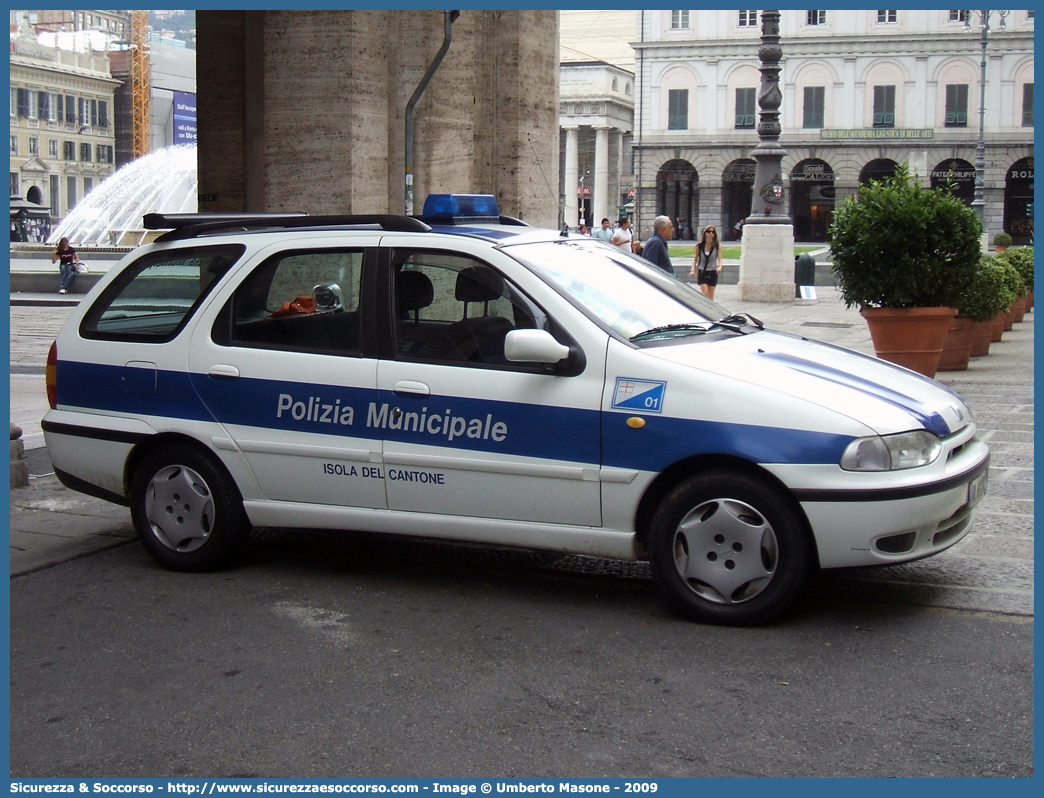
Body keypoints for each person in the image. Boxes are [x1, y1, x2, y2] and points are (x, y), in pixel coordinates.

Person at [690, 225, 723, 300]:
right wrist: (693, 269)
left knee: (710, 297)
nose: (711, 233)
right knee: (705, 294)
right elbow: (695, 259)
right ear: (705, 233)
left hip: (712, 272)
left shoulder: (717, 246)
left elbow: (720, 258)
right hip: (702, 272)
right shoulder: (700, 246)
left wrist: (720, 266)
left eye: (713, 232)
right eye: (709, 231)